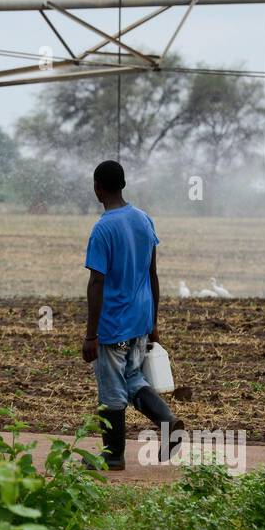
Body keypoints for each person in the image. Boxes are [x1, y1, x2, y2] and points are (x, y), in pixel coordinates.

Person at [81, 160, 183, 470]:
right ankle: (167, 421)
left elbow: (97, 282)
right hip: (140, 318)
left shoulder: (103, 228)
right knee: (133, 378)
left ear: (98, 188)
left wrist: (90, 335)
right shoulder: (144, 220)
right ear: (123, 184)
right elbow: (153, 273)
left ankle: (113, 456)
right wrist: (153, 320)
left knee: (112, 389)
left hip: (113, 324)